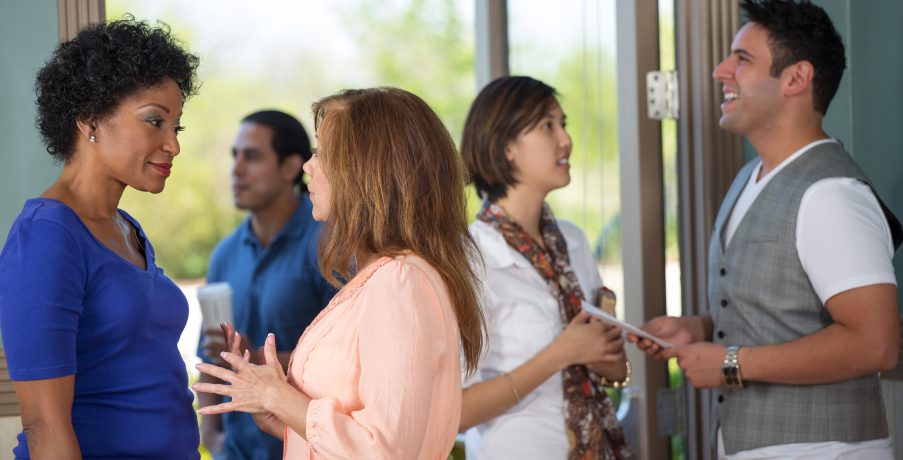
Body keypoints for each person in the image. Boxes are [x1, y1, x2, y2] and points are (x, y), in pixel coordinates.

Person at [633, 1, 902, 458]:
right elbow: (777, 308)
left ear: (796, 78)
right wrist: (699, 328)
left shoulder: (831, 194)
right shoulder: (749, 178)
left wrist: (731, 363)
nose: (721, 71)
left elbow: (876, 345)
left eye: (742, 59)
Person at [192, 87, 485, 459]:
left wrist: (277, 395)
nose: (308, 167)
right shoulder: (384, 277)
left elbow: (384, 451)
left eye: (321, 152)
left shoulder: (398, 282)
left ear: (365, 170)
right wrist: (282, 418)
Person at [0, 18, 200, 459]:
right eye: (155, 121)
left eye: (176, 127)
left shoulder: (127, 229)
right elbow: (44, 425)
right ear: (89, 118)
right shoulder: (46, 237)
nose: (173, 145)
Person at [457, 75, 632, 459]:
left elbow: (617, 373)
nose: (565, 140)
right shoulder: (472, 257)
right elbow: (458, 412)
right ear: (506, 147)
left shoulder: (573, 241)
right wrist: (560, 353)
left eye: (563, 124)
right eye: (547, 126)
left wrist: (606, 348)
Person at [197, 110, 337, 459]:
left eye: (252, 156)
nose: (237, 169)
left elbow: (345, 361)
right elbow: (210, 354)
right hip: (234, 452)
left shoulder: (330, 245)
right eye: (235, 156)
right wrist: (212, 437)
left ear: (290, 167)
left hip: (307, 448)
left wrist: (254, 357)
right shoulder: (224, 254)